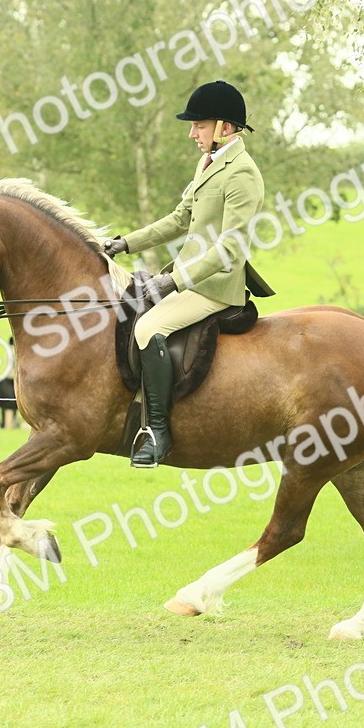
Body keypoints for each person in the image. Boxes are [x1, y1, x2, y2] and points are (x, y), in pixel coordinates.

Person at [102, 80, 274, 467]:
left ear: (224, 127)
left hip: (214, 286)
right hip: (188, 278)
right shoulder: (210, 163)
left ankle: (158, 432)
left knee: (148, 329)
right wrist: (126, 243)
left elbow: (230, 249)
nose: (191, 132)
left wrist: (174, 281)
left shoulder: (242, 174)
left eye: (199, 125)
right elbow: (180, 219)